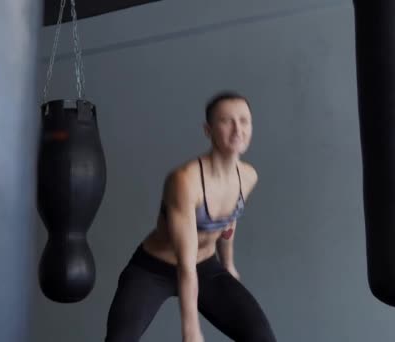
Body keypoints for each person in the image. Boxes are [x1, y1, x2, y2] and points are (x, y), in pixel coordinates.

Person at [104, 91, 277, 342]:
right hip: (153, 270)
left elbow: (228, 221)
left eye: (244, 121)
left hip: (206, 267)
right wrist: (191, 329)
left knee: (262, 338)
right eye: (227, 121)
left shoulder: (248, 176)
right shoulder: (185, 181)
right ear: (208, 130)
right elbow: (185, 264)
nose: (237, 129)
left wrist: (228, 265)